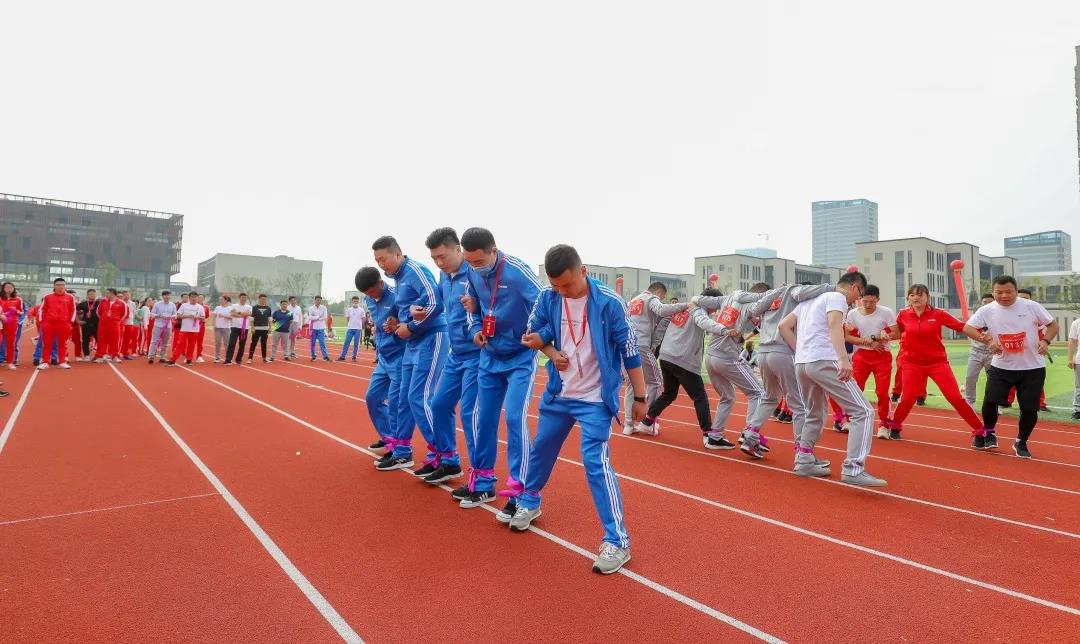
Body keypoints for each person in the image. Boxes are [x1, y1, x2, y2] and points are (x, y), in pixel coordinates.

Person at [513, 244, 645, 575]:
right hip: (559, 393)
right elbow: (534, 332)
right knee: (541, 449)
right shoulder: (548, 297)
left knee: (595, 462)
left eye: (567, 285)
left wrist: (641, 398)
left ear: (583, 271)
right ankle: (529, 500)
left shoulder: (610, 303)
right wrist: (549, 351)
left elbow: (629, 350)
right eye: (556, 285)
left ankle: (617, 540)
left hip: (595, 399)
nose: (562, 292)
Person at [457, 227, 542, 519]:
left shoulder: (518, 272)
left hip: (520, 357)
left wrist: (537, 334)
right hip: (489, 356)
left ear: (494, 251)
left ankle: (522, 492)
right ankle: (483, 481)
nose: (475, 267)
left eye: (479, 261)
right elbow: (470, 305)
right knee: (482, 418)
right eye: (469, 262)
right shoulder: (472, 272)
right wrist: (475, 328)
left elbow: (545, 303)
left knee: (515, 418)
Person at [778, 271, 887, 486]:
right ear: (855, 287)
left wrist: (800, 350)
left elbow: (784, 326)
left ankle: (804, 460)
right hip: (825, 360)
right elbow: (834, 325)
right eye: (859, 295)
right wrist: (844, 359)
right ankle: (854, 469)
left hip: (803, 363)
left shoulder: (807, 302)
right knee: (863, 411)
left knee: (814, 413)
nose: (856, 301)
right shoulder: (837, 297)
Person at [371, 236, 449, 475]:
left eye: (383, 259)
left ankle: (446, 456)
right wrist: (397, 321)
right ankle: (402, 450)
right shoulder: (398, 278)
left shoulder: (415, 271)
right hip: (412, 343)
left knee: (418, 397)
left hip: (431, 337)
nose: (381, 264)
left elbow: (436, 303)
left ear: (397, 253)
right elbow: (412, 308)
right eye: (377, 260)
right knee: (402, 398)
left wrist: (412, 327)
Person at [963, 275, 1058, 458]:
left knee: (1029, 408)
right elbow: (968, 328)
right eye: (999, 292)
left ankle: (1021, 441)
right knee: (990, 401)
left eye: (1008, 292)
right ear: (993, 292)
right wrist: (988, 341)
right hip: (1001, 366)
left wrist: (1045, 341)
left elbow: (1053, 325)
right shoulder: (987, 310)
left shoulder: (1031, 306)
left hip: (1032, 367)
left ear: (1016, 290)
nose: (1004, 296)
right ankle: (989, 432)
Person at [409, 228, 475, 484]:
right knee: (439, 405)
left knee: (470, 413)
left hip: (477, 354)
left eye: (442, 256)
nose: (438, 262)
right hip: (456, 353)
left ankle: (481, 476)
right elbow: (437, 303)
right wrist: (418, 310)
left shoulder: (475, 273)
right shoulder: (444, 275)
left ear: (458, 249)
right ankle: (449, 461)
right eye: (434, 258)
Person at [636, 286, 735, 449]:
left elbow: (663, 324)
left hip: (667, 356)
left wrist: (656, 346)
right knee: (700, 397)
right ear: (709, 301)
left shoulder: (682, 309)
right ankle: (708, 435)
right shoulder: (698, 311)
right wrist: (725, 330)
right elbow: (705, 323)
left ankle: (647, 422)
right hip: (682, 359)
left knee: (669, 394)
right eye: (716, 304)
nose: (716, 309)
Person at [889, 284, 987, 441]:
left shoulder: (938, 314)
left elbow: (962, 326)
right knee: (907, 398)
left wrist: (984, 335)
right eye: (912, 295)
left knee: (955, 397)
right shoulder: (903, 314)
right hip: (912, 363)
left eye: (920, 294)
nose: (916, 298)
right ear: (908, 298)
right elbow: (895, 333)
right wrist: (878, 335)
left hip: (937, 363)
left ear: (927, 297)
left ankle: (980, 431)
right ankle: (895, 426)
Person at [692, 285, 772, 458]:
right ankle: (749, 434)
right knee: (758, 393)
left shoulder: (725, 300)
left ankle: (715, 436)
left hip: (711, 357)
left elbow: (696, 299)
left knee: (727, 397)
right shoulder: (750, 305)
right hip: (726, 358)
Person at [620, 282, 688, 435]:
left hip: (626, 345)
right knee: (655, 382)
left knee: (631, 385)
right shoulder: (651, 298)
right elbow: (662, 310)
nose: (661, 300)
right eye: (662, 297)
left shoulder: (633, 301)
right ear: (658, 292)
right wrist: (685, 305)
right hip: (641, 345)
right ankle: (648, 421)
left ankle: (629, 424)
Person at [355, 267, 405, 454]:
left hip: (400, 356)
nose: (370, 296)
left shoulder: (398, 297)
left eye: (372, 291)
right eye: (366, 293)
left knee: (396, 402)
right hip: (383, 357)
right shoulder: (369, 299)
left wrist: (398, 324)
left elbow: (412, 322)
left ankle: (400, 447)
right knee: (373, 398)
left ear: (381, 283)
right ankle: (388, 438)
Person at [843, 285, 899, 438]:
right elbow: (848, 337)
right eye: (865, 301)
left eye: (872, 302)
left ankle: (884, 425)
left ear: (878, 299)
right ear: (860, 299)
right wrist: (870, 342)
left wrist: (881, 336)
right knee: (856, 389)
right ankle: (851, 420)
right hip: (861, 356)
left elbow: (897, 333)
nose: (868, 305)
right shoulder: (853, 314)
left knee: (882, 392)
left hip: (882, 356)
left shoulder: (886, 312)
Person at [1003, 288, 1050, 412]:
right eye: (1021, 298)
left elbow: (1045, 332)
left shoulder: (1036, 314)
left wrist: (1044, 343)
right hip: (1012, 353)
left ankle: (1040, 403)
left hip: (1032, 354)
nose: (1023, 301)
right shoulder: (1007, 314)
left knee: (1036, 381)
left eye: (1026, 298)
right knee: (1010, 378)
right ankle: (1007, 401)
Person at [963, 294, 996, 407]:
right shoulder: (976, 317)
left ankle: (995, 404)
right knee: (970, 377)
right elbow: (967, 330)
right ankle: (969, 401)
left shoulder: (999, 317)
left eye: (990, 302)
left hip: (992, 353)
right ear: (981, 303)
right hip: (976, 351)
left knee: (993, 380)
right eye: (985, 302)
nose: (987, 304)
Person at [37, 278, 77, 370]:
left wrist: (70, 322)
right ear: (54, 286)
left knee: (62, 344)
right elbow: (41, 310)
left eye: (62, 285)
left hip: (64, 324)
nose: (60, 287)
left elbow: (73, 310)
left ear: (65, 286)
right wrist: (43, 322)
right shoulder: (47, 297)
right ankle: (45, 362)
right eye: (58, 285)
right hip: (49, 324)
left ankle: (62, 362)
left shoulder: (70, 297)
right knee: (47, 344)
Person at [166, 292, 205, 366]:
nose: (193, 298)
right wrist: (187, 316)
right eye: (192, 297)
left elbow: (203, 318)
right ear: (189, 298)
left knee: (191, 345)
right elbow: (178, 316)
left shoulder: (200, 307)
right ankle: (173, 360)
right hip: (184, 329)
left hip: (195, 330)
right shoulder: (184, 305)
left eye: (195, 297)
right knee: (180, 344)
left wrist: (197, 317)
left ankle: (189, 360)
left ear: (197, 298)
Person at [94, 288, 129, 364]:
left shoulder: (122, 303)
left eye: (107, 293)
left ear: (112, 293)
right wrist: (104, 319)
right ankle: (100, 356)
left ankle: (114, 356)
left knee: (115, 340)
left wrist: (116, 320)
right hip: (103, 325)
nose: (106, 295)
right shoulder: (103, 302)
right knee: (101, 340)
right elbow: (98, 312)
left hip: (115, 325)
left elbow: (125, 314)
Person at [0, 282, 25, 370]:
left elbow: (22, 311)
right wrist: (1, 316)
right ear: (3, 288)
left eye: (11, 287)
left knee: (10, 343)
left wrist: (16, 311)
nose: (9, 289)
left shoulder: (18, 299)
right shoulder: (0, 298)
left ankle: (10, 362)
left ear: (14, 288)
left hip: (12, 323)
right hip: (1, 323)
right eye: (7, 287)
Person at [148, 291, 177, 364]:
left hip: (168, 326)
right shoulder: (157, 304)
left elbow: (175, 315)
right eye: (165, 295)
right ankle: (151, 356)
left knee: (165, 342)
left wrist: (171, 317)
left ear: (170, 296)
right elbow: (152, 314)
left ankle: (162, 357)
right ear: (162, 296)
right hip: (158, 325)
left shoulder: (172, 305)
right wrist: (159, 316)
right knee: (154, 341)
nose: (167, 297)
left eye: (168, 295)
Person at [223, 293, 252, 366]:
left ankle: (238, 359)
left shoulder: (249, 307)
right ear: (239, 298)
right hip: (235, 327)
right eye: (242, 297)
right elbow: (232, 314)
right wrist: (242, 314)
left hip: (244, 328)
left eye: (245, 297)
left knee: (242, 345)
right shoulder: (234, 305)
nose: (244, 299)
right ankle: (228, 360)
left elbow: (249, 314)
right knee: (231, 343)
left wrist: (238, 313)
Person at [338, 296, 366, 361]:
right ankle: (342, 356)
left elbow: (363, 319)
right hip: (350, 328)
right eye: (354, 301)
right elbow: (347, 319)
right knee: (346, 342)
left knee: (356, 343)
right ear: (352, 301)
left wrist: (362, 326)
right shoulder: (349, 310)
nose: (355, 302)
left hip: (358, 329)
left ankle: (354, 357)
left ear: (358, 302)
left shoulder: (361, 310)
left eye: (356, 301)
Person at [247, 294, 273, 363]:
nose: (263, 300)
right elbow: (251, 319)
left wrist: (270, 327)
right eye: (262, 299)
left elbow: (270, 319)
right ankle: (250, 358)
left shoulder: (268, 308)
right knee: (253, 343)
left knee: (264, 344)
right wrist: (252, 327)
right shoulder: (254, 308)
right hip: (256, 329)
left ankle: (264, 358)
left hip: (265, 329)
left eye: (265, 299)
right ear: (259, 299)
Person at [307, 296, 330, 361]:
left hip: (321, 327)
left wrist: (316, 318)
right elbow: (310, 317)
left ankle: (325, 356)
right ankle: (313, 356)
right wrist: (318, 317)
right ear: (315, 300)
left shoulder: (324, 307)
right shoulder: (311, 308)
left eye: (320, 300)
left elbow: (325, 317)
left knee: (322, 342)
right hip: (313, 328)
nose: (318, 301)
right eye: (317, 300)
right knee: (312, 343)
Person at [120, 290, 140, 360]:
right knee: (120, 339)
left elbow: (134, 313)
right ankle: (118, 352)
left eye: (128, 295)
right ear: (122, 295)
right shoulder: (120, 302)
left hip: (129, 323)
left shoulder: (132, 304)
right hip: (121, 323)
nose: (126, 296)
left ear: (130, 296)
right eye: (125, 295)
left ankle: (125, 353)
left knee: (127, 339)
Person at [212, 296, 232, 362]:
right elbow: (214, 316)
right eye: (220, 299)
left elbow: (231, 317)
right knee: (218, 343)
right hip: (218, 328)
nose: (220, 300)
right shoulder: (217, 307)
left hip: (226, 328)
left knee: (227, 343)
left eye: (221, 299)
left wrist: (223, 316)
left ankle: (228, 357)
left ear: (226, 300)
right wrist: (214, 324)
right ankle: (217, 357)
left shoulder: (230, 308)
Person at [1068, 316, 1079, 420]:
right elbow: (1073, 342)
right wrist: (1070, 359)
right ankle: (1077, 410)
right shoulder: (1076, 323)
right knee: (1079, 386)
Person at [194, 294, 210, 363]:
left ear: (204, 299)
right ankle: (188, 356)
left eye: (202, 298)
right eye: (199, 297)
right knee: (191, 341)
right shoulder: (194, 306)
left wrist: (206, 320)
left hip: (201, 327)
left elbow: (207, 316)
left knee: (200, 342)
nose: (200, 299)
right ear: (197, 298)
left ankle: (199, 356)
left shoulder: (206, 307)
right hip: (193, 326)